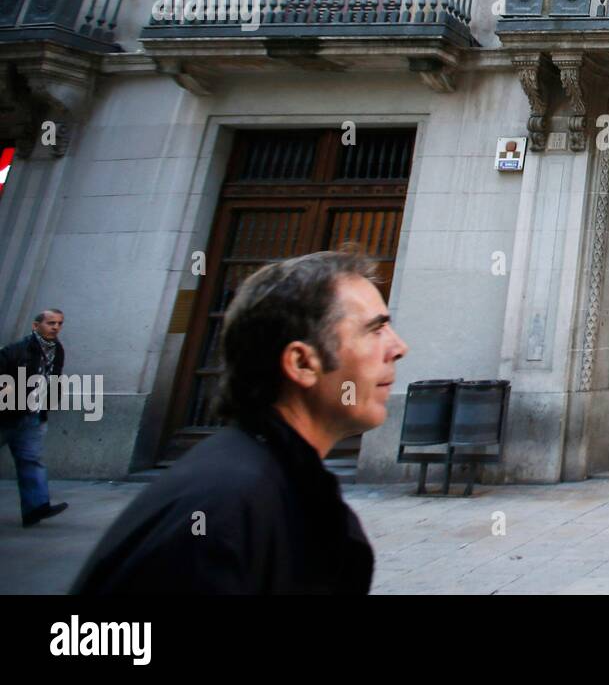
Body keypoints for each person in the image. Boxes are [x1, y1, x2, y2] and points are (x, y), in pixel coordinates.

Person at [74, 250, 408, 594]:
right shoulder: (222, 511)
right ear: (302, 363)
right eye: (375, 329)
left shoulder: (281, 484)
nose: (399, 347)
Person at [0, 310, 70, 527]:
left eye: (59, 323)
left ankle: (36, 508)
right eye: (51, 323)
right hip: (7, 415)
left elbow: (53, 378)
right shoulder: (16, 351)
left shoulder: (56, 350)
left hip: (33, 416)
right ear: (35, 325)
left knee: (31, 460)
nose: (56, 327)